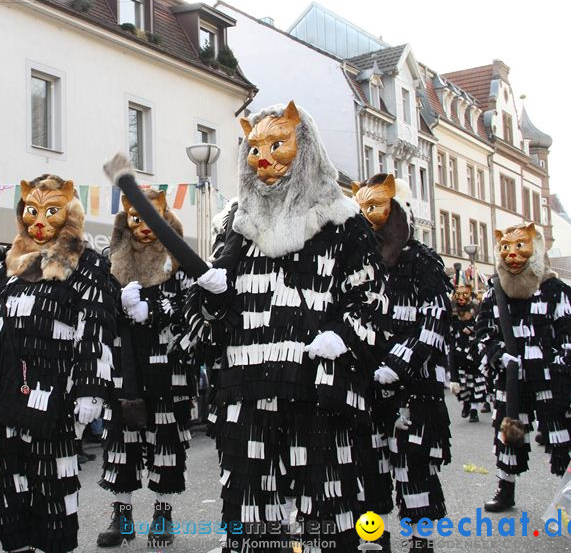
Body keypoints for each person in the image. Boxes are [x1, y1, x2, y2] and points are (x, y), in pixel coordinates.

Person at [189, 102, 388, 552]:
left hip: (317, 390)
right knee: (251, 506)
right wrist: (211, 299)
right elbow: (208, 318)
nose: (263, 158)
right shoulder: (235, 225)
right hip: (246, 390)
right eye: (254, 148)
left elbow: (372, 298)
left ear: (306, 145)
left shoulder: (344, 222)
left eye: (276, 144)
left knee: (322, 503)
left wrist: (342, 334)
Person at [0, 174, 116, 552]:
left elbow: (95, 333)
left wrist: (89, 390)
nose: (39, 221)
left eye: (51, 211)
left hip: (53, 398)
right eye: (31, 211)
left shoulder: (87, 265)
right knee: (4, 485)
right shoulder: (11, 264)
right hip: (3, 395)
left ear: (68, 212)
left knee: (51, 487)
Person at [353, 174, 453, 552]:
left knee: (414, 466)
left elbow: (434, 320)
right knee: (369, 466)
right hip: (368, 386)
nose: (367, 214)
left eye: (375, 205)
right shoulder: (357, 262)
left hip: (416, 387)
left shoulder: (422, 262)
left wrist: (398, 363)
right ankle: (373, 537)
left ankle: (420, 539)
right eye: (361, 207)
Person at [96, 188, 195, 547]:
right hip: (124, 366)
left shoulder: (180, 259)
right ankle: (122, 518)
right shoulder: (111, 260)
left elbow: (192, 309)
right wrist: (116, 304)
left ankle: (162, 514)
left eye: (151, 216)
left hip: (168, 369)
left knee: (164, 442)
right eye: (136, 217)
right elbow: (97, 313)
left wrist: (154, 312)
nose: (144, 226)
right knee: (120, 442)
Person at [475, 223, 571, 512]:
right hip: (512, 379)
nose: (512, 253)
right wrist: (499, 355)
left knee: (562, 437)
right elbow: (484, 330)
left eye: (520, 246)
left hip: (552, 379)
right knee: (508, 437)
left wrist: (561, 365)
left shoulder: (555, 289)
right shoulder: (495, 289)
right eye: (505, 247)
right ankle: (505, 489)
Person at [448, 281, 486, 422]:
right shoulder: (452, 314)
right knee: (463, 383)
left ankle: (474, 409)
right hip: (459, 351)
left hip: (473, 351)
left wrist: (473, 331)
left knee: (475, 382)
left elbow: (482, 327)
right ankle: (466, 404)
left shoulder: (476, 310)